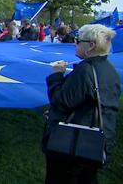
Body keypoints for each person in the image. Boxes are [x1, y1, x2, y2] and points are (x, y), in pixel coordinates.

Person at [43, 24, 120, 184]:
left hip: (73, 144)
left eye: (78, 40)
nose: (75, 43)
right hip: (94, 142)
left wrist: (56, 76)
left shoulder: (86, 70)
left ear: (91, 46)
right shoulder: (109, 69)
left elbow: (61, 101)